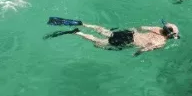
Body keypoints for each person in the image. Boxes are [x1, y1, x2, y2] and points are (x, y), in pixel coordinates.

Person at [47, 20, 179, 56]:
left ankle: (84, 24)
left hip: (129, 33)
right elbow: (145, 49)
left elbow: (141, 27)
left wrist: (134, 30)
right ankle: (78, 32)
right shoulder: (161, 42)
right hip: (128, 41)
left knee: (105, 31)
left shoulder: (156, 28)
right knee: (98, 42)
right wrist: (136, 54)